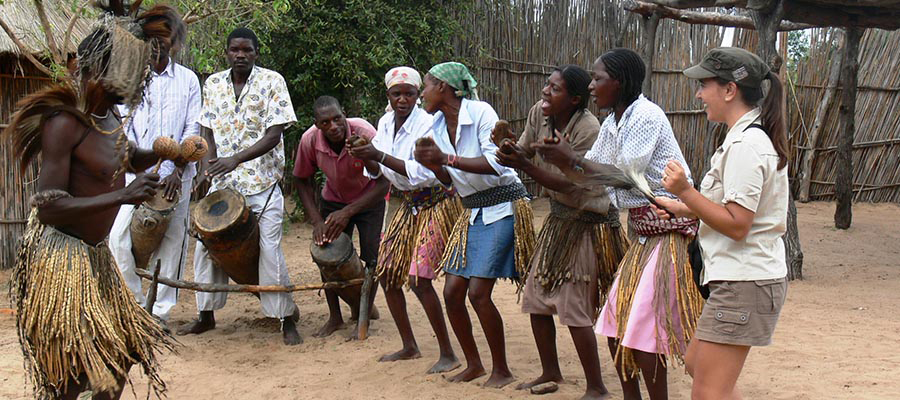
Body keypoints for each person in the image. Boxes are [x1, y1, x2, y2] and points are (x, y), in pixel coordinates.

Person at [3, 5, 183, 399]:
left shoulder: (110, 117)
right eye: (133, 69)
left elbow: (122, 159)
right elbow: (47, 208)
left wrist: (160, 154)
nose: (140, 78)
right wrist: (123, 195)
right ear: (98, 69)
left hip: (95, 258)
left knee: (121, 353)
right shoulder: (65, 123)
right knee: (71, 374)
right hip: (62, 258)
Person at [533, 49, 703, 400]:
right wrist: (564, 161)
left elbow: (626, 176)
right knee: (614, 323)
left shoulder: (645, 115)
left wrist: (571, 159)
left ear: (619, 82)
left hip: (669, 232)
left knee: (642, 331)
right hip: (643, 234)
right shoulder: (613, 122)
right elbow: (588, 175)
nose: (591, 86)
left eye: (598, 79)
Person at [655, 47, 789, 400]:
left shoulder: (747, 144)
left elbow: (737, 225)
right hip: (740, 279)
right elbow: (735, 211)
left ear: (730, 90)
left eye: (704, 85)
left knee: (708, 391)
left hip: (744, 281)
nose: (699, 95)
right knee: (697, 365)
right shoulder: (744, 138)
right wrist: (682, 207)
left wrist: (685, 191)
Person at [495, 64, 626, 399]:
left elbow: (572, 184)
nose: (545, 92)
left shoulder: (588, 129)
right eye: (547, 85)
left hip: (588, 224)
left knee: (574, 307)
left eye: (555, 88)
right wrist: (509, 150)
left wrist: (524, 165)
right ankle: (550, 371)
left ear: (574, 99)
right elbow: (525, 150)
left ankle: (596, 387)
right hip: (558, 220)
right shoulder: (539, 114)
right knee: (536, 299)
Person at [413, 62, 535, 388]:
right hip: (471, 212)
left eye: (426, 85)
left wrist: (445, 159)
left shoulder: (481, 113)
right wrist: (434, 164)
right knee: (453, 292)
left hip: (503, 206)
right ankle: (474, 364)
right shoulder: (437, 125)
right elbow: (449, 181)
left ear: (443, 87)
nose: (423, 93)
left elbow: (496, 164)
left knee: (479, 293)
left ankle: (502, 370)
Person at [178, 27, 301, 346]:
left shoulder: (272, 81)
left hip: (262, 182)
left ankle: (285, 318)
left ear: (256, 52)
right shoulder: (213, 83)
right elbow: (207, 130)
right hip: (224, 184)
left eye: (247, 50)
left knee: (269, 249)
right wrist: (207, 169)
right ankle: (205, 315)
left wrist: (235, 159)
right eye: (235, 49)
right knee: (206, 248)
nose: (241, 55)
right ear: (227, 52)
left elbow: (274, 135)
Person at [347, 66, 461, 373]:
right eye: (396, 94)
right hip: (407, 204)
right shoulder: (385, 123)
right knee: (387, 273)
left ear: (417, 95)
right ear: (388, 95)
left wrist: (377, 156)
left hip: (436, 202)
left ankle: (448, 353)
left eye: (409, 94)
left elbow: (422, 172)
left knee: (419, 280)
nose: (402, 100)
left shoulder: (428, 124)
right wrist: (365, 155)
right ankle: (409, 345)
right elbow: (379, 172)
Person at [108, 14, 199, 332]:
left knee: (171, 246)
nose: (157, 47)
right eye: (151, 41)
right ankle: (135, 306)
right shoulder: (131, 80)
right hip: (137, 177)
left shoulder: (189, 80)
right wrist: (138, 171)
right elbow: (124, 130)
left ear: (175, 43)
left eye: (163, 41)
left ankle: (159, 313)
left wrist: (178, 170)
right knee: (118, 239)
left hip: (177, 179)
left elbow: (193, 130)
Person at [294, 95, 389, 338]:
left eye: (337, 119)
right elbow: (301, 179)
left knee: (372, 258)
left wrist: (347, 212)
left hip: (369, 199)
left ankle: (362, 314)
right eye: (325, 122)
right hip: (334, 199)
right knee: (326, 254)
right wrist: (317, 221)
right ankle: (335, 317)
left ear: (344, 114)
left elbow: (383, 182)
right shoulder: (309, 140)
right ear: (316, 124)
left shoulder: (364, 132)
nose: (333, 126)